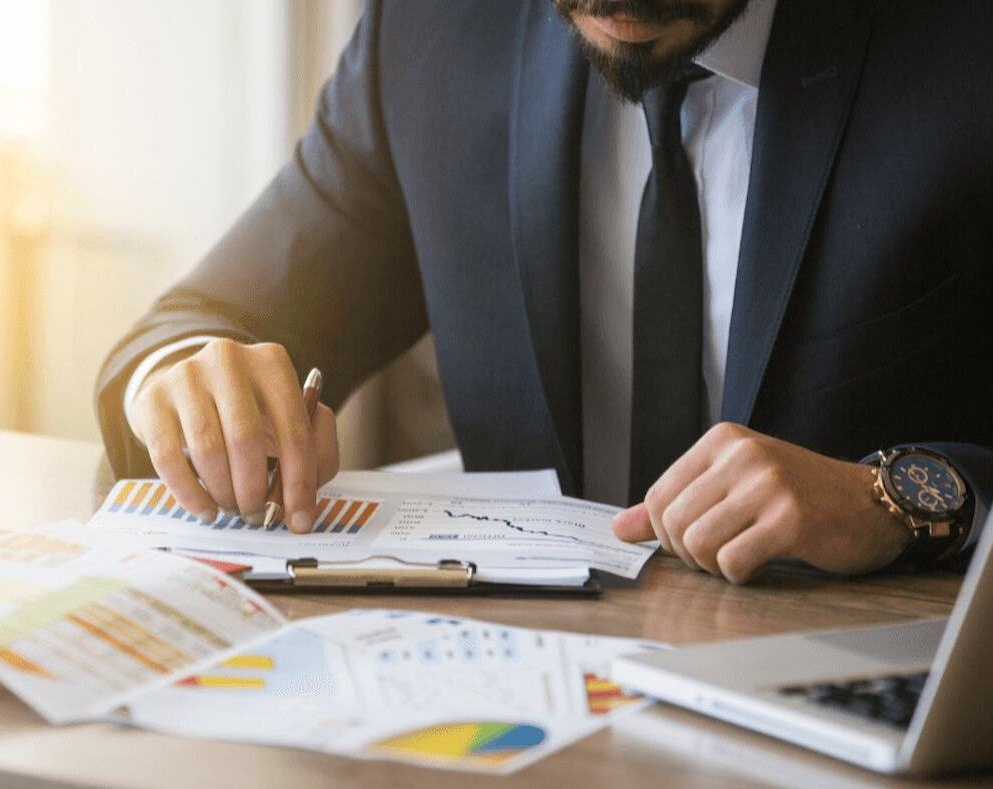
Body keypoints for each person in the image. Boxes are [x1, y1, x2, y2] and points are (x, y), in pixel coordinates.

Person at [96, 0, 993, 584]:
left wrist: (904, 502)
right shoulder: (437, 33)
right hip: (524, 716)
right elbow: (198, 322)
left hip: (865, 711)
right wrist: (183, 383)